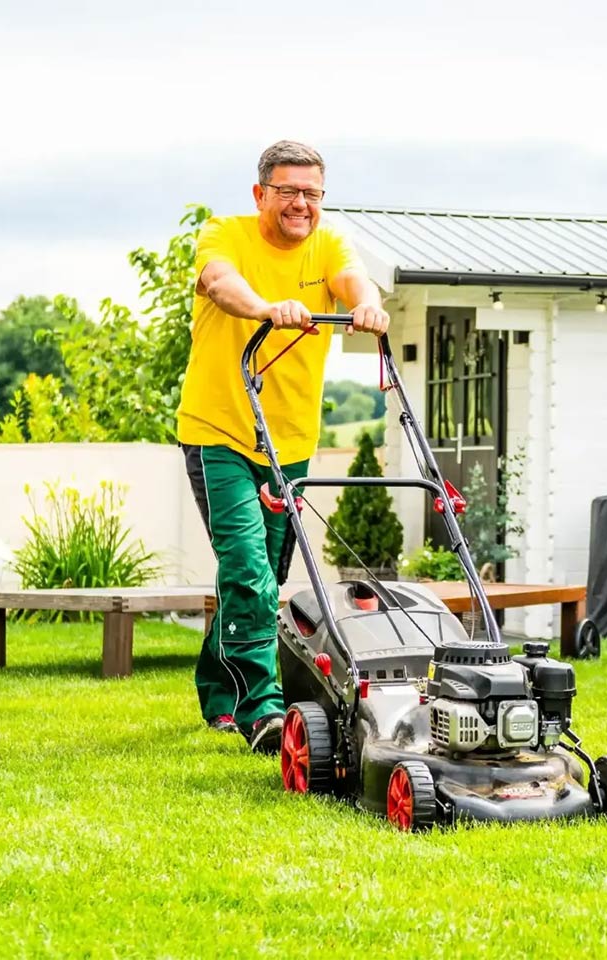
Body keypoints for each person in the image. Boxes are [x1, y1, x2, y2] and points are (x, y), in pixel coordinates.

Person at [178, 140, 389, 753]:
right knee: (247, 568)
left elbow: (353, 279)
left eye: (313, 193)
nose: (302, 203)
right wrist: (269, 309)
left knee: (264, 574)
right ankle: (263, 710)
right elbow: (220, 284)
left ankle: (219, 694)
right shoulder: (226, 234)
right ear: (260, 194)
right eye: (289, 191)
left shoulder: (329, 245)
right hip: (218, 430)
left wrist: (367, 304)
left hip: (288, 442)